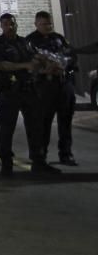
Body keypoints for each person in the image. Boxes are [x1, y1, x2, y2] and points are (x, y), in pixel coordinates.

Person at [0, 13, 57, 176]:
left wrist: (46, 65)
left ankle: (38, 161)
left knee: (35, 127)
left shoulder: (24, 42)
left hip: (28, 89)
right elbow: (0, 65)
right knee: (7, 128)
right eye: (6, 24)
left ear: (16, 24)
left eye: (12, 23)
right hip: (9, 91)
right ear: (1, 26)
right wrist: (24, 65)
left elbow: (35, 58)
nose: (10, 26)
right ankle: (6, 164)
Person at [26, 10, 79, 166]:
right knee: (43, 122)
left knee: (66, 121)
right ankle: (41, 156)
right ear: (36, 24)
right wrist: (44, 69)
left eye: (49, 23)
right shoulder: (30, 41)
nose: (47, 26)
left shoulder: (59, 39)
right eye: (43, 24)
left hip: (63, 84)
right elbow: (28, 64)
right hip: (44, 86)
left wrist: (64, 64)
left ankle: (66, 154)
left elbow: (71, 56)